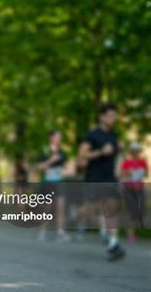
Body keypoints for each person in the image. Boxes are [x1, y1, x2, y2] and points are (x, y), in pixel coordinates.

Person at [78, 104, 125, 261]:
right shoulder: (93, 135)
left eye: (114, 116)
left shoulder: (114, 136)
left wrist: (120, 150)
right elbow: (82, 156)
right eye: (110, 115)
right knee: (89, 210)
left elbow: (117, 156)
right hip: (94, 178)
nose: (113, 119)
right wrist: (100, 152)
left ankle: (113, 243)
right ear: (102, 117)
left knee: (112, 207)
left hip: (109, 178)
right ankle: (75, 214)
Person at [36, 130, 70, 242]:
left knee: (61, 207)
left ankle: (61, 233)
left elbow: (66, 167)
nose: (59, 139)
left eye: (60, 137)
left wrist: (65, 167)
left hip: (59, 182)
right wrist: (51, 161)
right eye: (56, 137)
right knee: (46, 208)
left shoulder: (62, 152)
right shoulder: (45, 151)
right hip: (48, 182)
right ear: (51, 138)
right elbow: (40, 167)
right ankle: (42, 232)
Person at [120, 142, 148, 242]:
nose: (135, 152)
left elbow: (146, 173)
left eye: (137, 150)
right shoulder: (126, 162)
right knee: (131, 211)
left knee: (140, 211)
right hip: (129, 189)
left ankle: (132, 230)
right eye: (134, 151)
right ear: (131, 152)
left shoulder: (143, 162)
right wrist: (128, 172)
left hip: (139, 189)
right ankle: (130, 233)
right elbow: (122, 175)